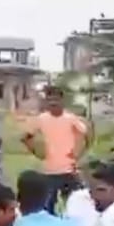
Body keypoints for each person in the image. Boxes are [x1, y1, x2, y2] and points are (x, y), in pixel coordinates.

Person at [21, 86, 89, 214]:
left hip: (69, 169)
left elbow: (86, 134)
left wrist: (79, 154)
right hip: (49, 171)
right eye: (50, 100)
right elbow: (25, 137)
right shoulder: (41, 119)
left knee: (73, 204)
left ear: (62, 101)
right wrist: (36, 152)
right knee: (48, 205)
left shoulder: (70, 118)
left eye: (56, 100)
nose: (53, 103)